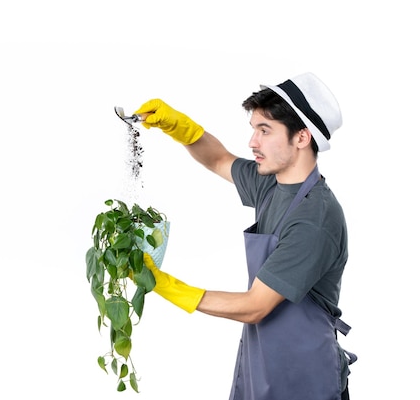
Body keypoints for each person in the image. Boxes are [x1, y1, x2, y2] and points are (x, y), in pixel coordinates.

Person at [133, 73, 357, 400]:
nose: (253, 142)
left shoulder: (315, 217)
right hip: (263, 360)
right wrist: (179, 127)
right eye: (254, 129)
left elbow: (255, 306)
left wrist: (165, 285)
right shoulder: (272, 184)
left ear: (302, 137)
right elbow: (220, 159)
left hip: (305, 372)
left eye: (264, 131)